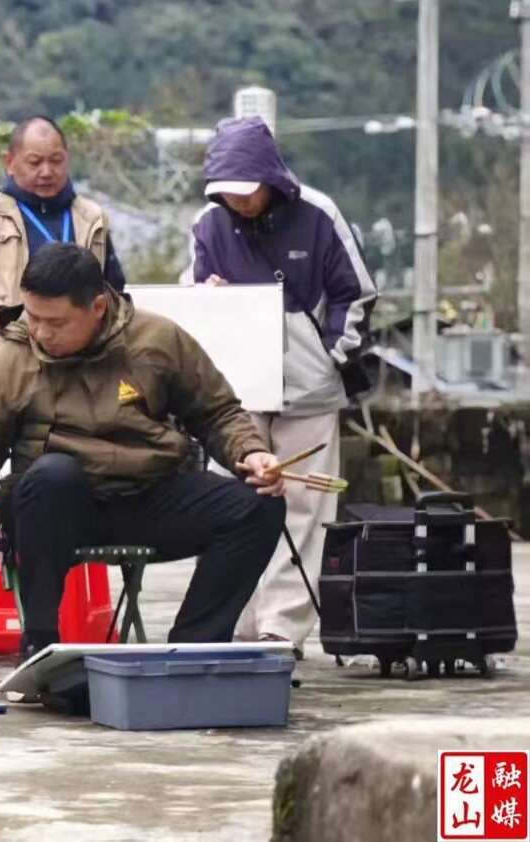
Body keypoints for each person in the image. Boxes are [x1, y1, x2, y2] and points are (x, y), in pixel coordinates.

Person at [0, 243, 288, 661]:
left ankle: (193, 649)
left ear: (98, 307)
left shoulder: (157, 340)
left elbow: (217, 412)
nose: (42, 333)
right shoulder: (11, 360)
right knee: (52, 476)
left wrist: (250, 452)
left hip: (150, 495)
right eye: (33, 318)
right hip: (57, 511)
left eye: (57, 322)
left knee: (258, 506)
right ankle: (41, 646)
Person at [182, 116, 377, 653]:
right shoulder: (208, 223)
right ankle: (235, 623)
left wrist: (330, 356)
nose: (238, 203)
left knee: (305, 507)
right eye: (227, 193)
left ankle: (279, 629)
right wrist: (208, 292)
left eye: (246, 191)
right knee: (234, 502)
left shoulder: (319, 214)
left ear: (272, 177)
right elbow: (190, 292)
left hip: (309, 391)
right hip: (236, 393)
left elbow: (355, 293)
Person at [0, 115, 128, 400]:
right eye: (35, 162)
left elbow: (115, 295)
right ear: (9, 162)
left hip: (84, 374)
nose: (47, 171)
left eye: (56, 160)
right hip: (0, 371)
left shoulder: (93, 218)